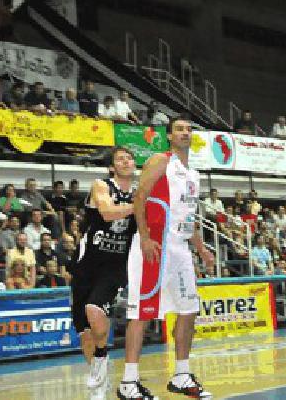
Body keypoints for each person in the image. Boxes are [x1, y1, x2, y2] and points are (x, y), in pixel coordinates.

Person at [119, 115, 213, 399]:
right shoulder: (161, 161)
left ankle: (182, 375)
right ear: (169, 136)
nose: (185, 133)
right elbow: (140, 197)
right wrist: (145, 236)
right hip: (156, 244)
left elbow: (189, 216)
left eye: (188, 129)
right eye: (179, 129)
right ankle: (128, 382)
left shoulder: (193, 174)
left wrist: (202, 248)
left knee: (188, 310)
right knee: (142, 312)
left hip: (181, 248)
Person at [68, 147, 139, 392]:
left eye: (129, 158)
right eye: (120, 158)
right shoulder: (102, 185)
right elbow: (108, 212)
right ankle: (99, 375)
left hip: (116, 265)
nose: (126, 161)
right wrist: (139, 205)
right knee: (84, 331)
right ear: (112, 167)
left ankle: (101, 357)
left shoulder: (140, 192)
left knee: (95, 310)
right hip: (86, 263)